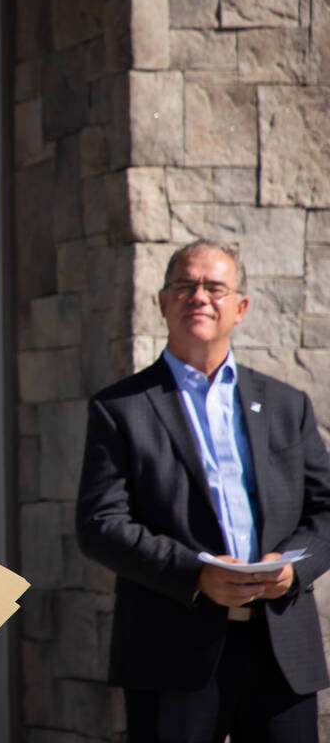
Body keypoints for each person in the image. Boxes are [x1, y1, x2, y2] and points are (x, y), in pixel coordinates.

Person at [76, 239, 330, 742]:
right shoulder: (120, 408)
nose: (199, 297)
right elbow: (100, 525)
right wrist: (196, 574)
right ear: (163, 302)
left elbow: (326, 508)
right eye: (185, 286)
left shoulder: (285, 404)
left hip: (279, 649)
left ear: (240, 307)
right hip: (171, 653)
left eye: (215, 287)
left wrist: (293, 569)